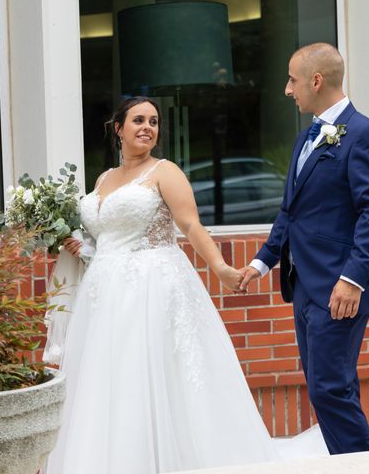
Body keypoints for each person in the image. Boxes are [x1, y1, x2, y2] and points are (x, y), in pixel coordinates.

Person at [43, 96, 327, 473]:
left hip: (152, 288)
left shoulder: (165, 172)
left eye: (154, 121)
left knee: (154, 374)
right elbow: (104, 236)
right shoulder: (103, 179)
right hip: (104, 292)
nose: (148, 127)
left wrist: (221, 267)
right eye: (138, 120)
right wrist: (80, 244)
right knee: (109, 381)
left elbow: (190, 225)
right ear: (118, 129)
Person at [240, 43, 369, 455]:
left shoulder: (365, 135)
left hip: (339, 288)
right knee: (328, 387)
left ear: (316, 80)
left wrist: (352, 279)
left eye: (292, 80)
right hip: (304, 285)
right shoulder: (305, 138)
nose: (288, 90)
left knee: (329, 389)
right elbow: (291, 212)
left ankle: (361, 465)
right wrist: (261, 262)